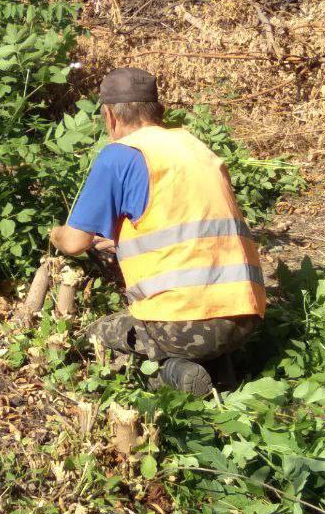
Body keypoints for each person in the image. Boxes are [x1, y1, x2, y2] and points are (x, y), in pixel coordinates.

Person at [49, 67, 265, 396]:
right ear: (158, 111)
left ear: (109, 116)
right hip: (246, 315)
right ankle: (216, 370)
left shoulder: (120, 155)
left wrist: (56, 234)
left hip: (182, 324)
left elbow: (75, 243)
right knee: (198, 334)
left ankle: (174, 375)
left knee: (94, 340)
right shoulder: (195, 147)